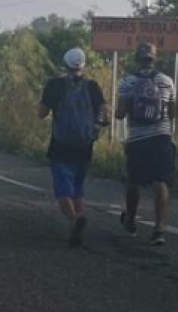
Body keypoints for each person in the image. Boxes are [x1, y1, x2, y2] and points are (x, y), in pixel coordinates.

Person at [38, 48, 108, 247]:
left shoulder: (55, 85)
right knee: (77, 187)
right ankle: (75, 225)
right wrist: (95, 128)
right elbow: (104, 113)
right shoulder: (92, 86)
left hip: (61, 143)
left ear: (65, 64)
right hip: (85, 144)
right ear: (83, 65)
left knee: (62, 189)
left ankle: (75, 220)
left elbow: (41, 113)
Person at [115, 43, 177, 246]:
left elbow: (120, 114)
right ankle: (159, 229)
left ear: (137, 59)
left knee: (134, 182)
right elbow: (173, 112)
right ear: (154, 58)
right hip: (162, 138)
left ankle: (131, 220)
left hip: (138, 139)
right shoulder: (167, 81)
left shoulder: (128, 82)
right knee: (161, 182)